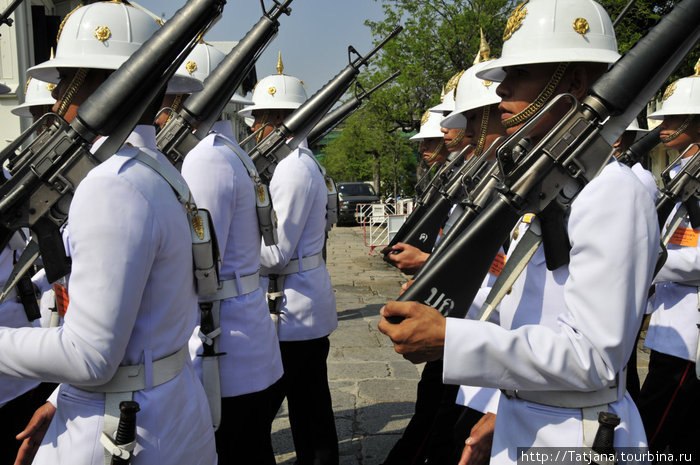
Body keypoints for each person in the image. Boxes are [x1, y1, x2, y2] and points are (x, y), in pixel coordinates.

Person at [378, 1, 659, 464]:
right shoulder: (552, 187)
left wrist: (452, 338)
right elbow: (530, 316)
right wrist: (501, 409)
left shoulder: (612, 193)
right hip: (529, 419)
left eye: (520, 73)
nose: (502, 88)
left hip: (577, 438)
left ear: (572, 82)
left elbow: (594, 358)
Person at [2, 2, 215, 464]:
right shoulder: (158, 170)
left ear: (91, 84)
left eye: (65, 78)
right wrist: (60, 399)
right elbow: (136, 326)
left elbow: (89, 356)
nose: (56, 92)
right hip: (166, 411)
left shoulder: (110, 183)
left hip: (117, 431)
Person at [177, 42, 283, 465]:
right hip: (243, 333)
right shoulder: (228, 152)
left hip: (225, 346)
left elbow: (203, 264)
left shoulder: (206, 159)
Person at [240, 56, 339, 465]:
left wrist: (232, 253)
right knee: (309, 409)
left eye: (260, 117)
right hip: (297, 307)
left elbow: (277, 253)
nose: (254, 127)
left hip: (293, 313)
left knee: (274, 414)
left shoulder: (293, 170)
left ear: (279, 117)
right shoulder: (294, 163)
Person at [637, 63, 700, 461]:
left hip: (689, 334)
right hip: (665, 327)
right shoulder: (679, 173)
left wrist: (645, 261)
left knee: (651, 439)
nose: (665, 124)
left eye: (676, 117)